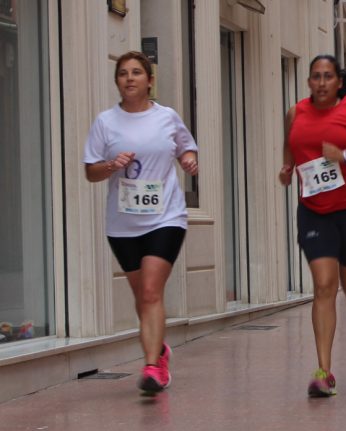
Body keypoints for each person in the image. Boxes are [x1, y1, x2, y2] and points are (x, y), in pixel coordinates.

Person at [83, 51, 198, 394]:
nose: (129, 78)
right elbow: (90, 171)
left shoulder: (167, 117)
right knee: (141, 295)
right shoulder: (106, 122)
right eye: (123, 73)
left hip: (166, 216)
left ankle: (153, 367)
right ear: (117, 81)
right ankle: (158, 346)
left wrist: (190, 160)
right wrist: (110, 165)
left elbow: (185, 148)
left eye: (136, 72)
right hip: (123, 224)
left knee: (150, 291)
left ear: (150, 80)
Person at [279, 54, 346, 397]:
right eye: (316, 77)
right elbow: (291, 150)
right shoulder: (295, 113)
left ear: (338, 81)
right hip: (315, 210)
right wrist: (286, 170)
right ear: (309, 81)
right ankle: (323, 371)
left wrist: (343, 156)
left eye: (328, 76)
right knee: (324, 285)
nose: (322, 82)